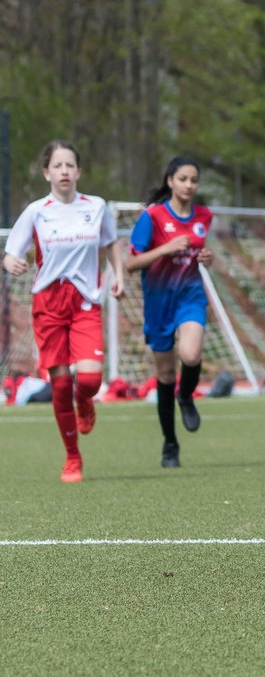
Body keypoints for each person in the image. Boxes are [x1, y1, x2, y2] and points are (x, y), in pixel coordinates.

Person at [2, 140, 125, 483]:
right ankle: (72, 459)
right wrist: (10, 261)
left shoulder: (96, 207)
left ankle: (85, 402)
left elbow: (110, 242)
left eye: (70, 165)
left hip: (86, 302)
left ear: (79, 171)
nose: (65, 171)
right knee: (58, 386)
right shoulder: (37, 211)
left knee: (88, 380)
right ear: (47, 173)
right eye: (58, 166)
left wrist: (119, 275)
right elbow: (12, 251)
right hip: (49, 305)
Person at [125, 156, 214, 468]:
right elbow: (130, 263)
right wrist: (165, 248)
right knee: (164, 373)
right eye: (183, 179)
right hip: (158, 302)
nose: (189, 185)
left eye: (194, 180)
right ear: (170, 181)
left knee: (190, 356)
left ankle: (186, 395)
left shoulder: (205, 216)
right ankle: (170, 444)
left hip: (190, 296)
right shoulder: (152, 217)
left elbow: (198, 252)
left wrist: (207, 258)